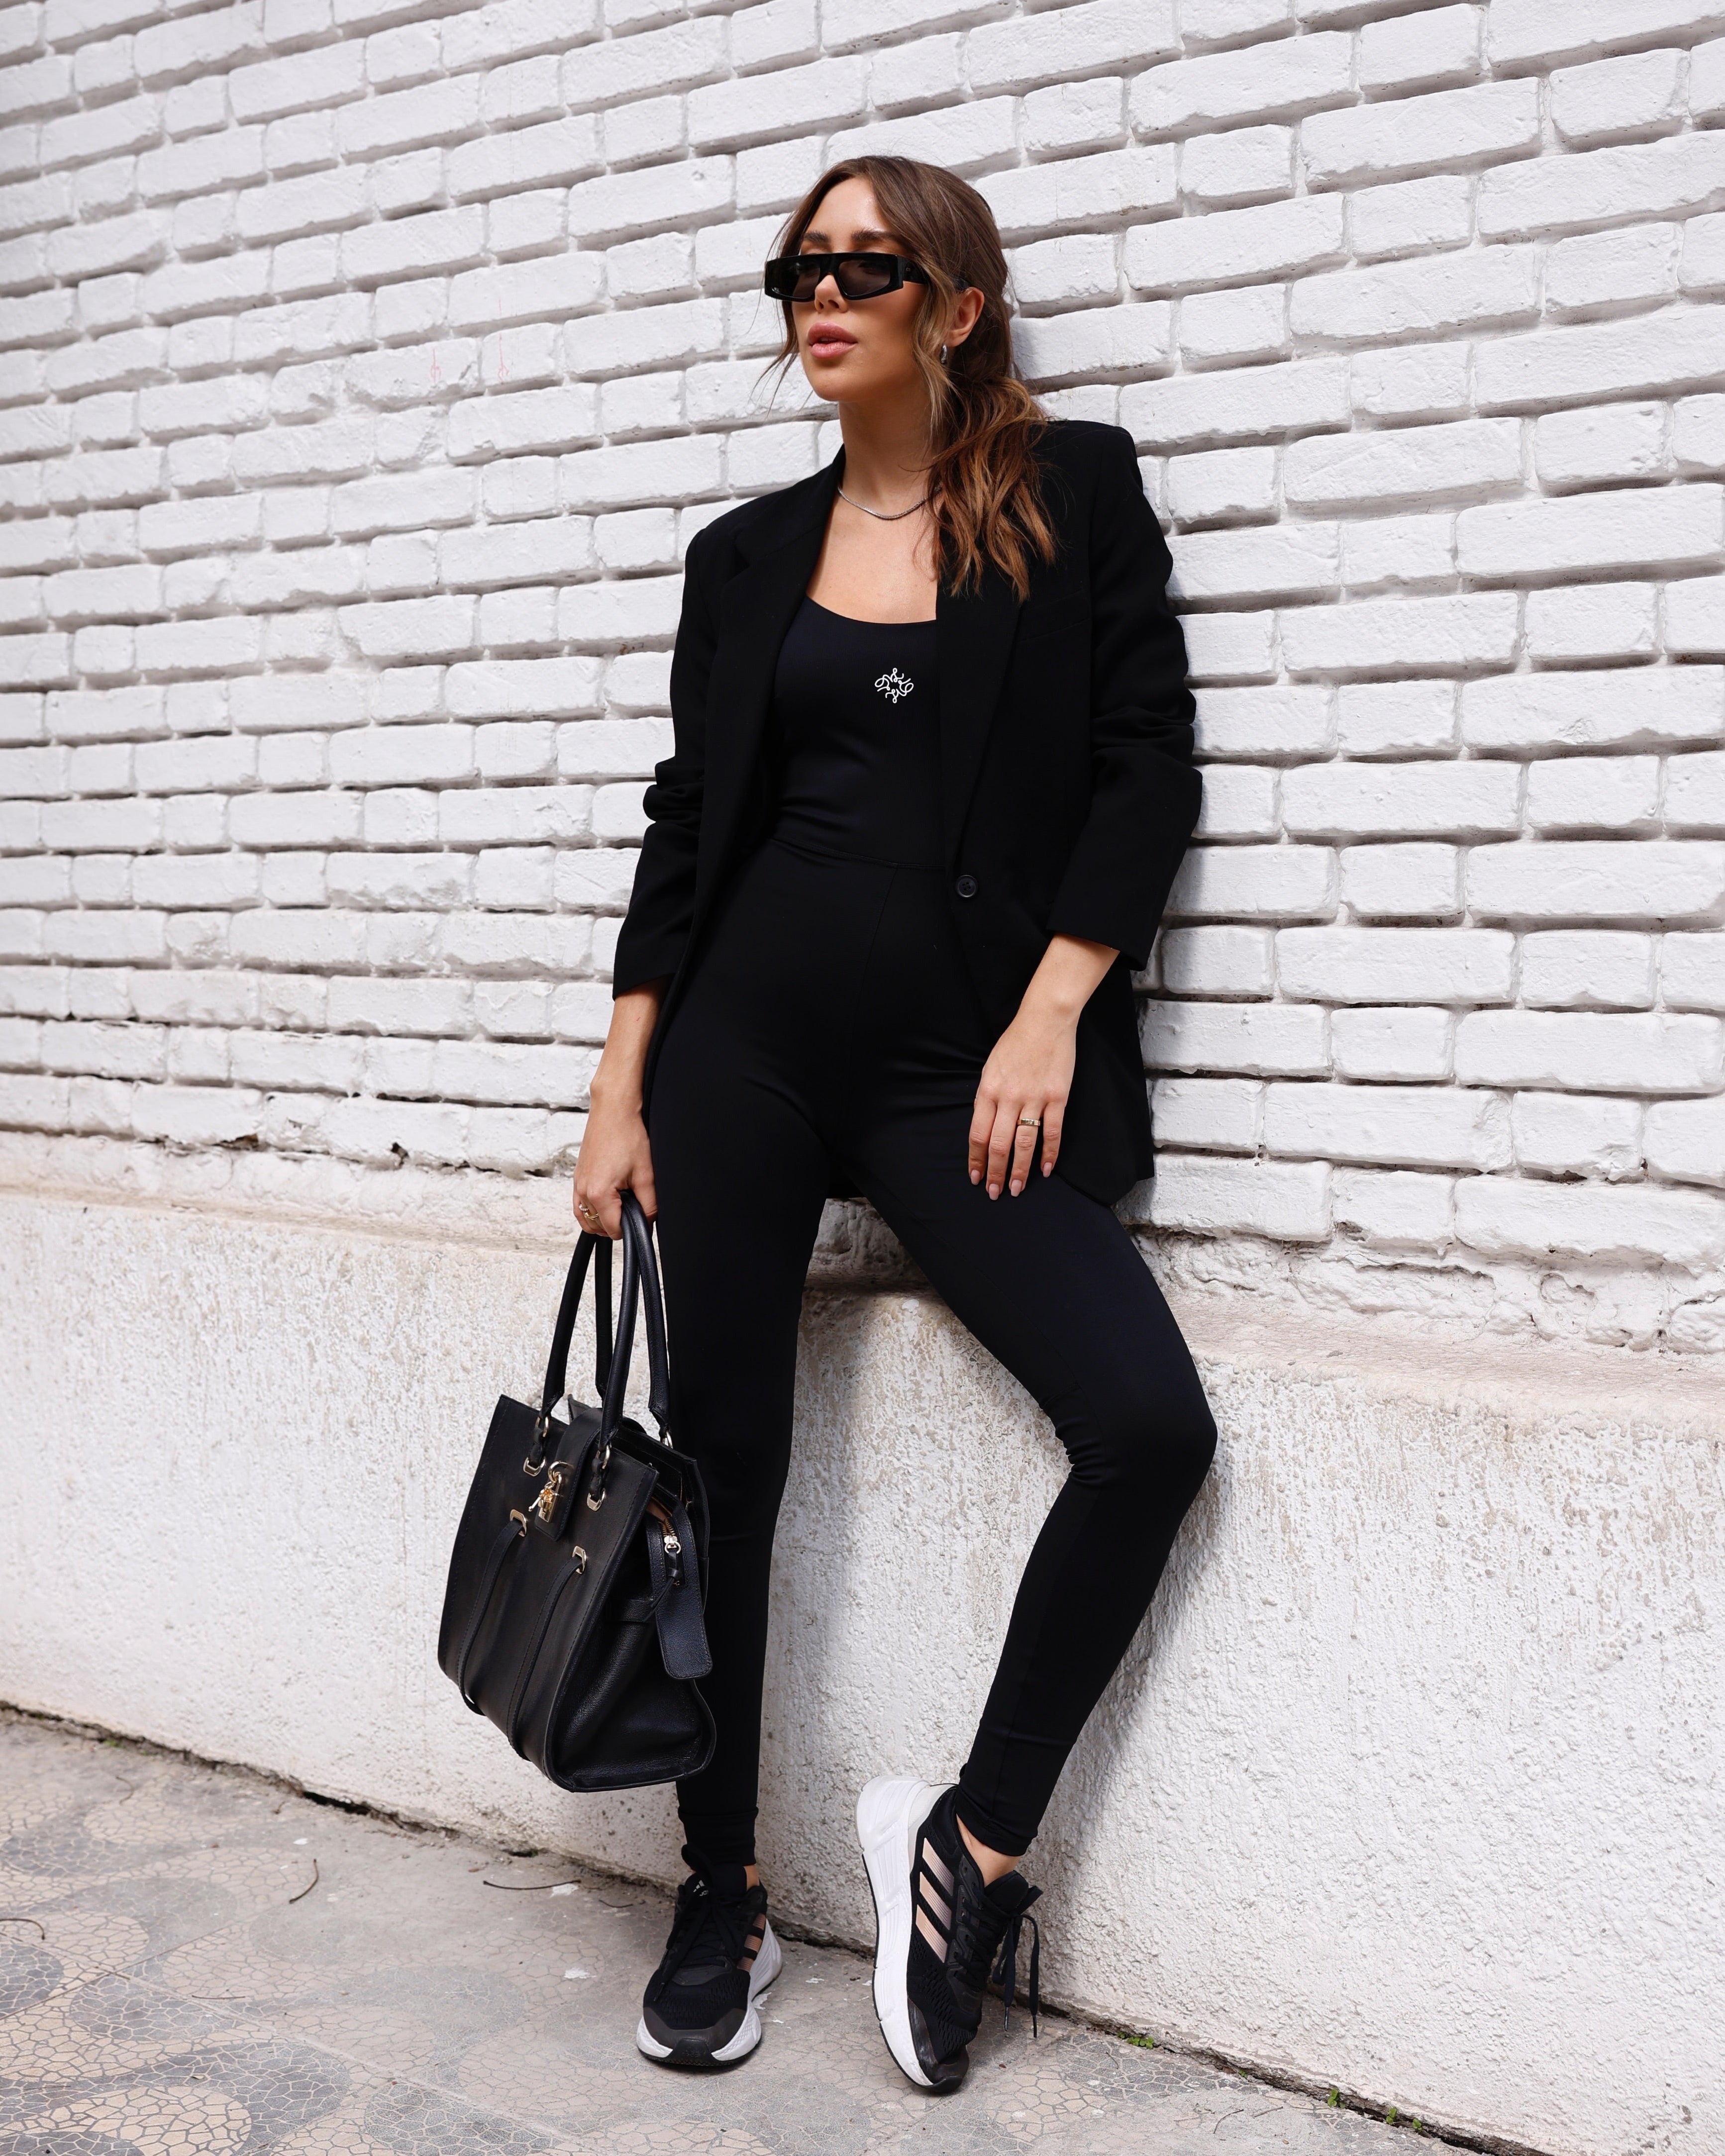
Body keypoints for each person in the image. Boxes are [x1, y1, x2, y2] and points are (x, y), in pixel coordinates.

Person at [572, 153, 1217, 2091]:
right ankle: (718, 1884)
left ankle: (973, 1848)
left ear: (959, 305)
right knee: (721, 1460)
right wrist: (620, 1082)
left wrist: (1050, 1013)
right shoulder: (745, 556)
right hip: (742, 1055)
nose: (823, 298)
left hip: (963, 1068)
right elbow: (690, 828)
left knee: (1148, 1424)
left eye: (866, 268)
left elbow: (1148, 763)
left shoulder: (1068, 491)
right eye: (801, 268)